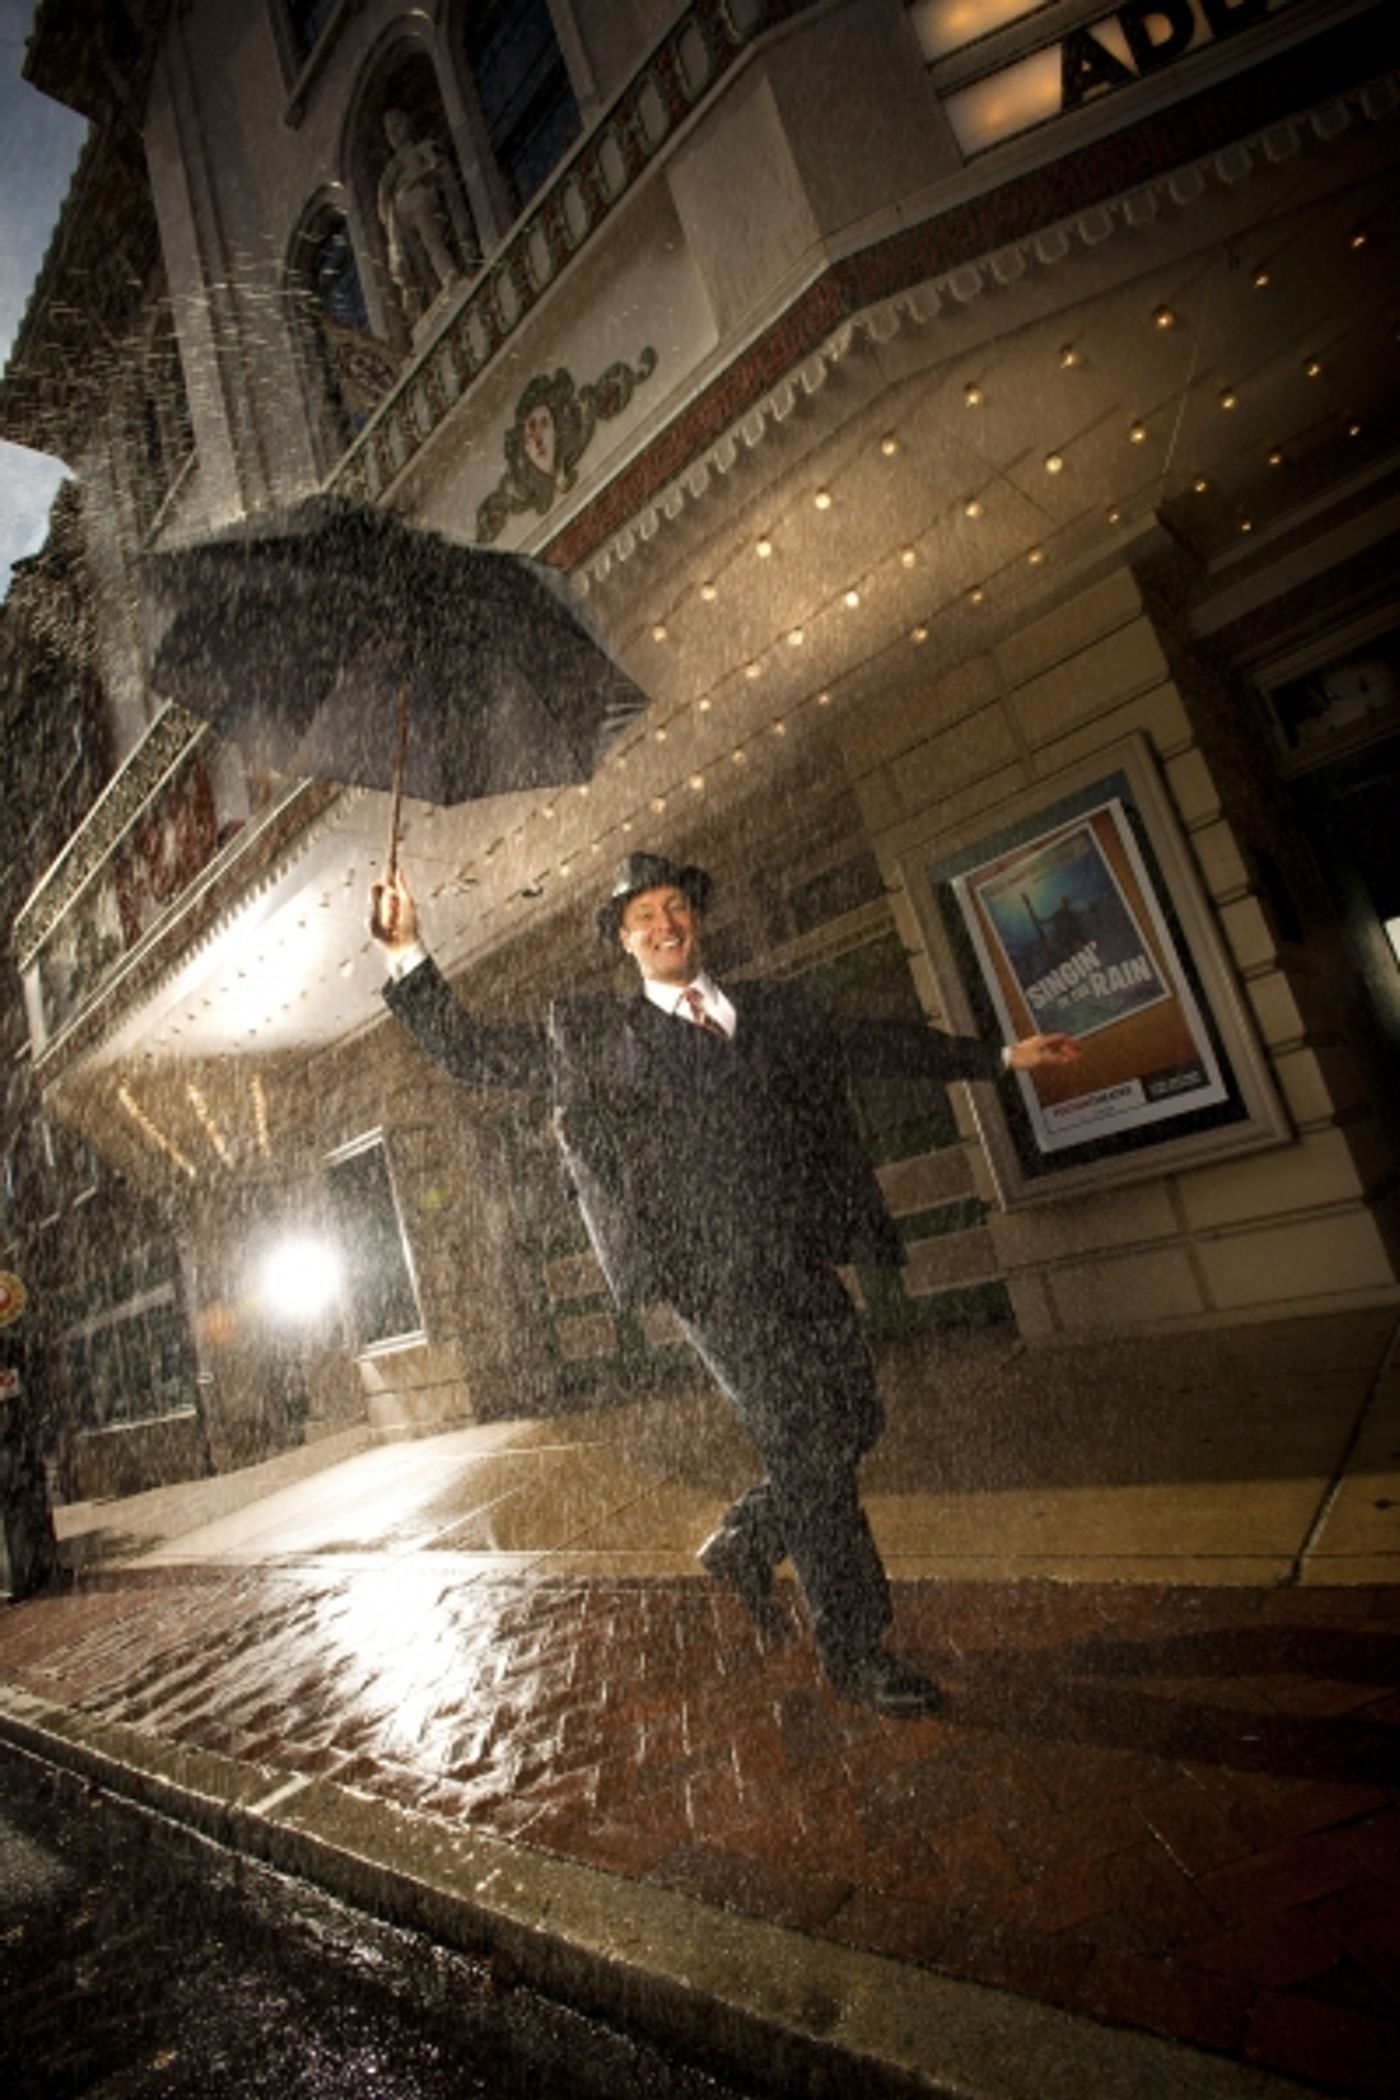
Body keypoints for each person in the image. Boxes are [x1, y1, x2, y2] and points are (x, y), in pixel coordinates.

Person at [371, 852, 1078, 1717]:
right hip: (713, 1284)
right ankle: (856, 1649)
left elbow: (876, 1043)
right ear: (624, 944)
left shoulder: (775, 1011)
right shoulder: (594, 1038)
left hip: (801, 1260)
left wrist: (1000, 1056)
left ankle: (750, 1536)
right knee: (810, 1455)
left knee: (854, 1417)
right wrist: (407, 952)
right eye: (643, 918)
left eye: (675, 908)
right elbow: (473, 1051)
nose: (664, 925)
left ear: (695, 921)